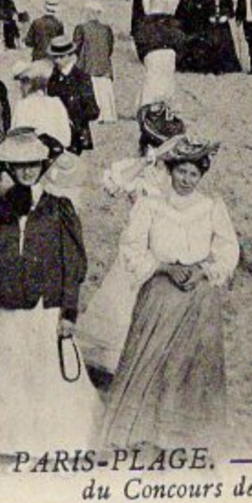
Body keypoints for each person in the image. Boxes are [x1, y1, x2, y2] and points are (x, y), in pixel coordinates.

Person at [0, 129, 100, 455]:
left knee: (47, 375)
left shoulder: (59, 209)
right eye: (19, 165)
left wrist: (68, 312)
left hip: (46, 309)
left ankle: (54, 443)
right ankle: (7, 444)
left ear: (43, 165)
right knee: (9, 376)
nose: (27, 171)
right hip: (10, 309)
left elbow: (73, 265)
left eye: (33, 165)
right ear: (10, 168)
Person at [100, 137, 240, 451]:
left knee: (188, 363)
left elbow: (228, 248)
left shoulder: (211, 207)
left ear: (200, 176)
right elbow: (132, 248)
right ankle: (143, 432)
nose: (186, 180)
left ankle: (181, 436)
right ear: (171, 171)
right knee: (150, 358)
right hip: (161, 291)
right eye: (182, 172)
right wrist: (162, 267)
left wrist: (204, 270)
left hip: (198, 295)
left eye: (193, 174)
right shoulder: (151, 205)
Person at [77, 101, 188, 382]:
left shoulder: (177, 176)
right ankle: (114, 364)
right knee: (121, 302)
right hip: (135, 245)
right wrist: (149, 159)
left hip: (164, 246)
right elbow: (113, 183)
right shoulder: (136, 169)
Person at [45, 35, 99, 155]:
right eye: (55, 57)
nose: (57, 60)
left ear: (70, 55)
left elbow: (93, 110)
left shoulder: (82, 78)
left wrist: (73, 117)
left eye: (61, 56)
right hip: (56, 134)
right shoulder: (52, 79)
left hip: (77, 136)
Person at [73, 5, 118, 124]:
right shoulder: (106, 29)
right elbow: (110, 48)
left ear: (88, 13)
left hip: (88, 66)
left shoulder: (81, 28)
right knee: (105, 91)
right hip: (104, 67)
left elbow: (76, 47)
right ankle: (108, 115)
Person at [205, 0, 243, 75]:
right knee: (211, 43)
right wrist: (210, 18)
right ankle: (213, 67)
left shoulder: (227, 0)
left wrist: (225, 17)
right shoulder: (209, 1)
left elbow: (231, 13)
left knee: (224, 44)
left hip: (223, 26)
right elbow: (205, 13)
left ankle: (226, 67)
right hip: (212, 26)